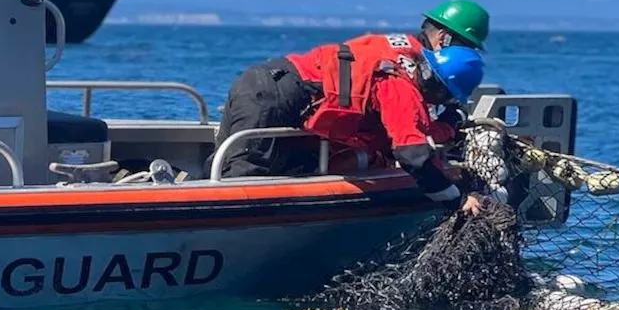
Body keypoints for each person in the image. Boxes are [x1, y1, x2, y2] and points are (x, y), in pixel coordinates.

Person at [208, 33, 487, 212]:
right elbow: (412, 154)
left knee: (226, 164)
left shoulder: (396, 57)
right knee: (242, 180)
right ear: (440, 88)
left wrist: (449, 126)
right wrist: (456, 200)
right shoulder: (402, 88)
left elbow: (397, 127)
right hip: (276, 96)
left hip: (268, 81)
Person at [417, 0, 490, 52]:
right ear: (443, 37)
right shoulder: (412, 67)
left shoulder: (418, 60)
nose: (466, 55)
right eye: (464, 48)